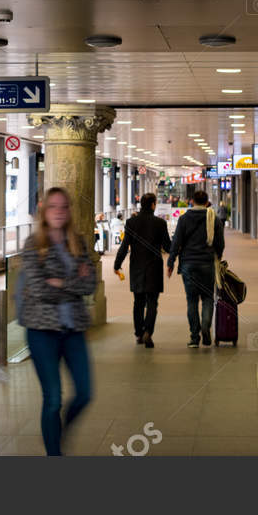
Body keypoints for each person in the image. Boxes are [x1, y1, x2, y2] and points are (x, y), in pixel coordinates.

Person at [18, 187, 96, 456]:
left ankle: (57, 431)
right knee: (52, 399)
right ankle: (54, 453)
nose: (59, 212)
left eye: (64, 206)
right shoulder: (33, 245)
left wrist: (60, 282)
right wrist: (74, 282)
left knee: (85, 393)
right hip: (42, 331)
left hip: (73, 328)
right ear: (44, 211)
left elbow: (90, 285)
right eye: (53, 206)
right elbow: (38, 289)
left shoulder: (78, 243)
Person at [167, 188, 225, 348]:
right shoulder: (214, 219)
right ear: (207, 203)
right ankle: (205, 326)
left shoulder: (184, 219)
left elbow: (176, 242)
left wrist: (170, 263)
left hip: (188, 265)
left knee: (192, 301)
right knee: (207, 298)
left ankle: (194, 337)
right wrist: (218, 256)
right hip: (207, 263)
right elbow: (220, 243)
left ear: (192, 202)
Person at [115, 192, 172, 348]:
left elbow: (125, 246)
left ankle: (139, 333)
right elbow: (168, 246)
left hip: (137, 267)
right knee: (152, 302)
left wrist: (117, 264)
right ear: (153, 205)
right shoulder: (160, 223)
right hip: (154, 267)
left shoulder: (131, 222)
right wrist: (178, 251)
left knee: (138, 302)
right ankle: (148, 331)